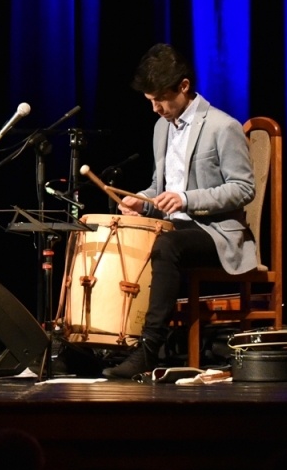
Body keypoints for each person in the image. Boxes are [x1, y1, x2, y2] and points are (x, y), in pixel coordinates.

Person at [108, 43, 255, 379]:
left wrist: (187, 199)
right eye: (150, 101)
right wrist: (142, 201)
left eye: (161, 99)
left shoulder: (222, 126)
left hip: (216, 234)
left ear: (184, 86)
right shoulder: (162, 128)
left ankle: (148, 348)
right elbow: (160, 189)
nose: (156, 108)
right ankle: (111, 341)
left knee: (167, 245)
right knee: (126, 234)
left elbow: (244, 189)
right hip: (175, 228)